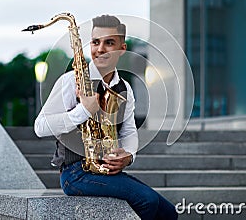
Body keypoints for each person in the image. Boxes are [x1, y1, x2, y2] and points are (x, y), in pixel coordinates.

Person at [34, 14, 178, 219]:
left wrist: (128, 156)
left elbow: (128, 131)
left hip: (106, 171)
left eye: (109, 43)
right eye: (95, 42)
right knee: (147, 201)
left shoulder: (125, 88)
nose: (100, 49)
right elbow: (40, 127)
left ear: (122, 48)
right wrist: (83, 111)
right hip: (76, 173)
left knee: (168, 213)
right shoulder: (70, 81)